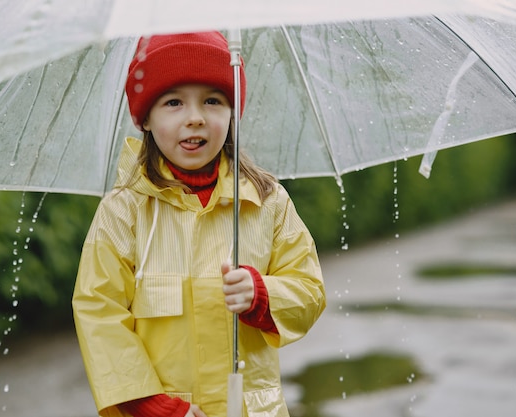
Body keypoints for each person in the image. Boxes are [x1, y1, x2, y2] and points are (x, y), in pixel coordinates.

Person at [72, 31, 326, 417]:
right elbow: (100, 314)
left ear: (232, 111)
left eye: (212, 100)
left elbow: (309, 290)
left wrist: (262, 295)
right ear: (146, 118)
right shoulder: (123, 211)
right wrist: (155, 406)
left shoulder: (267, 201)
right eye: (173, 102)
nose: (195, 118)